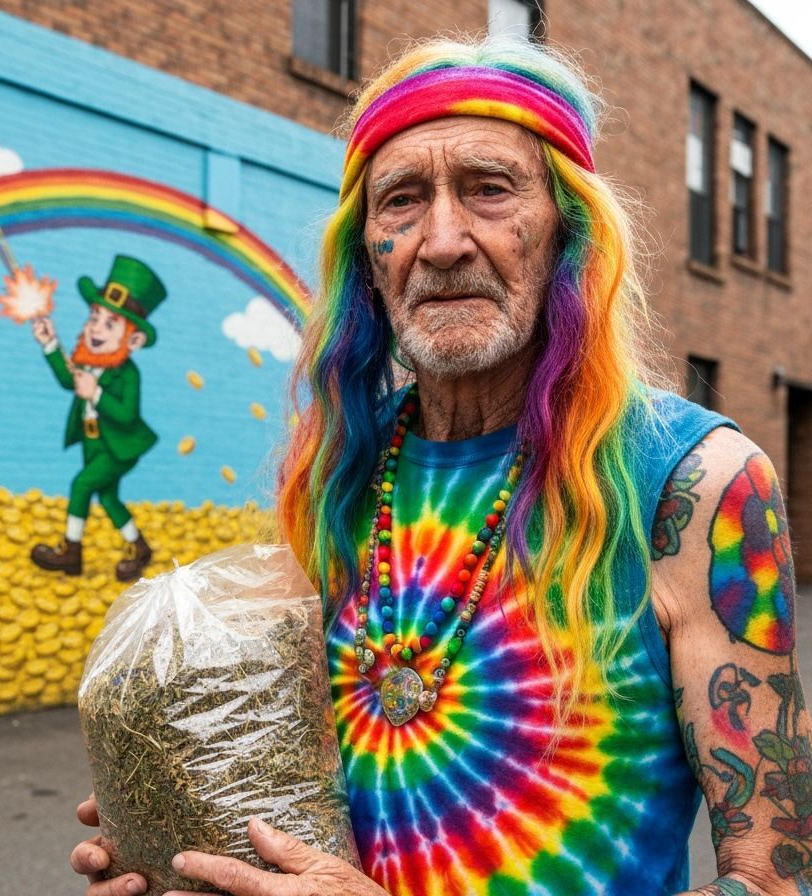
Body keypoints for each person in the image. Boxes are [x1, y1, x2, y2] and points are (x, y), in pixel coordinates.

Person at [70, 36, 810, 895]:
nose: (444, 240)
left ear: (565, 232)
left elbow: (772, 882)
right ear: (366, 257)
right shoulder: (336, 476)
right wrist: (178, 817)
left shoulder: (696, 483)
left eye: (490, 190)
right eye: (402, 201)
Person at [29, 255, 163, 582]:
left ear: (133, 339)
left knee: (82, 485)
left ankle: (70, 552)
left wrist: (96, 395)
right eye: (94, 317)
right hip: (93, 442)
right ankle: (139, 546)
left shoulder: (127, 374)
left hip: (119, 448)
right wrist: (50, 344)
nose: (95, 328)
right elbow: (68, 379)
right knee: (108, 497)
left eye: (109, 323)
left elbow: (127, 415)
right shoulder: (90, 362)